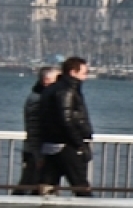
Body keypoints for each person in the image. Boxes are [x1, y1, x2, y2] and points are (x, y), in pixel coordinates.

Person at [39, 57, 95, 196]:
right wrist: (79, 143)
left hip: (50, 144)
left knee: (47, 186)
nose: (86, 77)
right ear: (72, 72)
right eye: (84, 73)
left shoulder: (51, 89)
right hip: (66, 145)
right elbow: (66, 119)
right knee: (81, 186)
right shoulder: (67, 91)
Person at [15, 65, 59, 193]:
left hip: (39, 150)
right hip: (37, 151)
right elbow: (34, 129)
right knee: (30, 184)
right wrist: (38, 155)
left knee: (35, 185)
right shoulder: (38, 100)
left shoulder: (39, 97)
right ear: (46, 80)